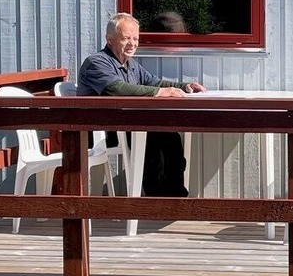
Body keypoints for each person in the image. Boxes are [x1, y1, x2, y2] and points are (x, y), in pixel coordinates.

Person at [78, 13, 206, 196]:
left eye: (136, 38)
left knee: (170, 136)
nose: (132, 44)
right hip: (100, 131)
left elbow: (153, 82)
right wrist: (159, 93)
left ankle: (175, 195)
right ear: (109, 39)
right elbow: (116, 89)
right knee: (150, 138)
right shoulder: (97, 62)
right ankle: (157, 198)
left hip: (124, 125)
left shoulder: (131, 64)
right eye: (126, 38)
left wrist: (185, 86)